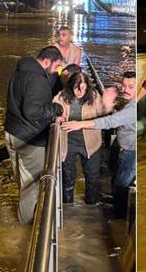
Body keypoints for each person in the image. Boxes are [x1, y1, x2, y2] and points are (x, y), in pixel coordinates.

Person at [0, 64, 82, 180]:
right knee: (19, 147)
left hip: (42, 120)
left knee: (24, 148)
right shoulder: (50, 80)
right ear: (65, 74)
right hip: (35, 121)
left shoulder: (60, 82)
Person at [62, 71, 136, 219]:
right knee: (117, 181)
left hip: (125, 149)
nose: (126, 90)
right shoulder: (62, 97)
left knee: (118, 183)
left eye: (131, 86)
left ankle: (118, 217)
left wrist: (80, 124)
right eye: (124, 86)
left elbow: (109, 121)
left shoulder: (132, 107)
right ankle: (115, 212)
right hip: (122, 147)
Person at [3, 46, 64, 224]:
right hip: (29, 138)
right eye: (56, 66)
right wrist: (56, 109)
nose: (56, 71)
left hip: (12, 133)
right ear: (47, 61)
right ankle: (27, 229)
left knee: (23, 181)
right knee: (31, 186)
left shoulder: (20, 71)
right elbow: (32, 111)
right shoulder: (37, 79)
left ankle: (23, 218)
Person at [53, 72, 114, 204]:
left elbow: (103, 112)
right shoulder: (62, 96)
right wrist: (57, 117)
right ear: (71, 86)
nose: (80, 92)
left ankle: (91, 203)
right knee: (67, 176)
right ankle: (67, 204)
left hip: (91, 144)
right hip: (67, 144)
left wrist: (108, 105)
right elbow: (52, 110)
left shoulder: (94, 96)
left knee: (92, 176)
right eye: (77, 88)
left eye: (84, 88)